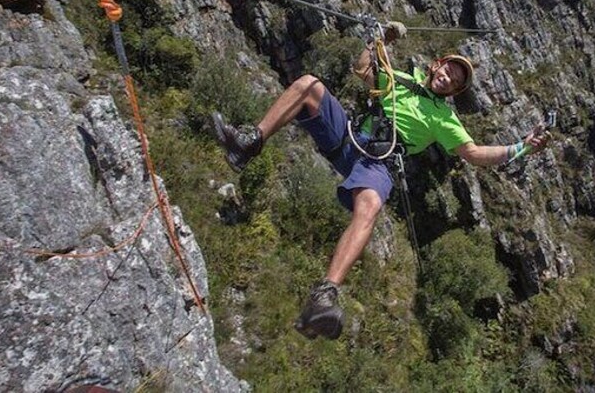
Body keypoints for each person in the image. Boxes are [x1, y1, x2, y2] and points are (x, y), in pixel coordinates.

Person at [211, 22, 549, 340]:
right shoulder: (400, 79)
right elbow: (362, 70)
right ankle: (249, 142)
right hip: (350, 137)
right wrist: (379, 42)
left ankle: (324, 296)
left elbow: (474, 153)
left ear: (455, 91)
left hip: (380, 162)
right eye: (448, 70)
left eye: (455, 81)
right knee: (309, 85)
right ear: (436, 65)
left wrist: (520, 148)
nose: (447, 78)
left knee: (370, 205)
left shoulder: (445, 119)